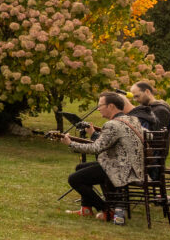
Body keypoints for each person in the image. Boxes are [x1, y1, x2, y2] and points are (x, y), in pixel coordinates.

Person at [62, 91, 146, 226]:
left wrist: (71, 144)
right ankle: (86, 209)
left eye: (100, 105)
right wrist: (94, 133)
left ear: (111, 106)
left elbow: (96, 148)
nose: (98, 108)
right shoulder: (133, 120)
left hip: (119, 169)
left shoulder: (112, 125)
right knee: (80, 167)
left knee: (74, 179)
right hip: (134, 168)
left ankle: (106, 209)